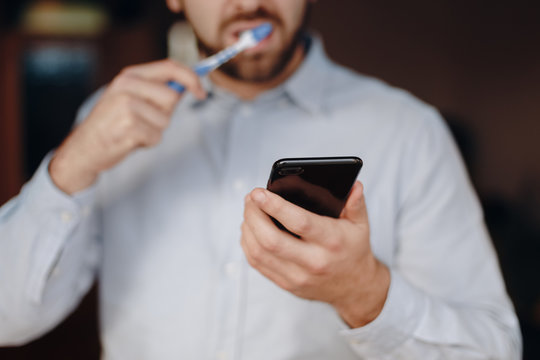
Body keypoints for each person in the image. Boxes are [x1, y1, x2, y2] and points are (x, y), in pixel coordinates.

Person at [0, 0, 521, 358]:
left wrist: (365, 294)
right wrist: (71, 165)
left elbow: (495, 349)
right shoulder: (108, 123)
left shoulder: (410, 131)